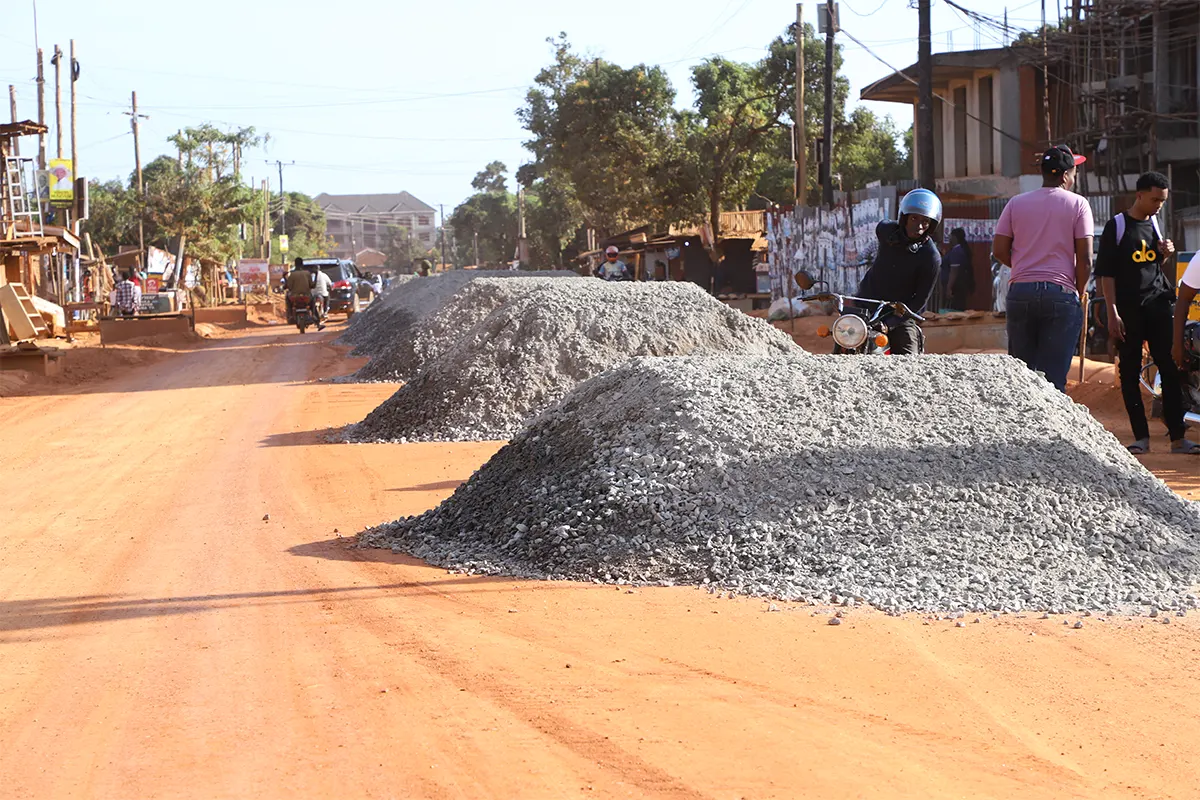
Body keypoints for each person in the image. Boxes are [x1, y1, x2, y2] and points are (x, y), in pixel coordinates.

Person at [1095, 172, 1194, 453]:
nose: (1159, 206)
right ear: (1139, 195)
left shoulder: (1156, 224)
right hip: (1128, 310)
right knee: (1129, 371)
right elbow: (1107, 274)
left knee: (1171, 367)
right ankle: (1141, 438)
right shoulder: (1116, 226)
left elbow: (1152, 263)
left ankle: (1178, 436)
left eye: (1163, 201)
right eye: (1155, 200)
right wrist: (1112, 311)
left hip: (1159, 304)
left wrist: (1166, 253)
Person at [992, 145, 1094, 392]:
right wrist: (1078, 291)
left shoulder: (1016, 204)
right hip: (1060, 295)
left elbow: (999, 250)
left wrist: (1026, 268)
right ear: (1065, 176)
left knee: (1021, 378)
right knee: (1053, 380)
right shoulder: (1079, 204)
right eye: (1074, 171)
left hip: (1020, 293)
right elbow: (1085, 258)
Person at [855, 188, 943, 354]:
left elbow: (920, 300)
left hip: (898, 313)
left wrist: (891, 323)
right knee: (844, 338)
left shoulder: (931, 257)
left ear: (931, 226)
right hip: (865, 303)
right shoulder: (885, 230)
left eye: (925, 221)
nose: (919, 226)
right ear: (904, 218)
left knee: (908, 359)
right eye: (914, 218)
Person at [941, 227, 974, 311]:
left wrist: (949, 288)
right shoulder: (955, 250)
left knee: (955, 310)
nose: (949, 238)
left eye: (950, 236)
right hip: (956, 287)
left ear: (954, 238)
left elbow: (954, 271)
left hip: (956, 288)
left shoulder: (957, 251)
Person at [284, 260, 314, 324]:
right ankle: (314, 314)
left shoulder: (292, 274)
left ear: (295, 264)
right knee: (313, 300)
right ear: (302, 264)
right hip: (307, 297)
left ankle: (290, 314)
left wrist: (285, 278)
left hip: (294, 297)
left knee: (287, 298)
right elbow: (311, 285)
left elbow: (289, 287)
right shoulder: (307, 273)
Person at [310, 266, 332, 331]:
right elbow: (330, 283)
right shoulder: (324, 275)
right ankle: (325, 311)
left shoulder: (311, 276)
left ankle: (315, 317)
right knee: (328, 296)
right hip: (323, 293)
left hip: (313, 294)